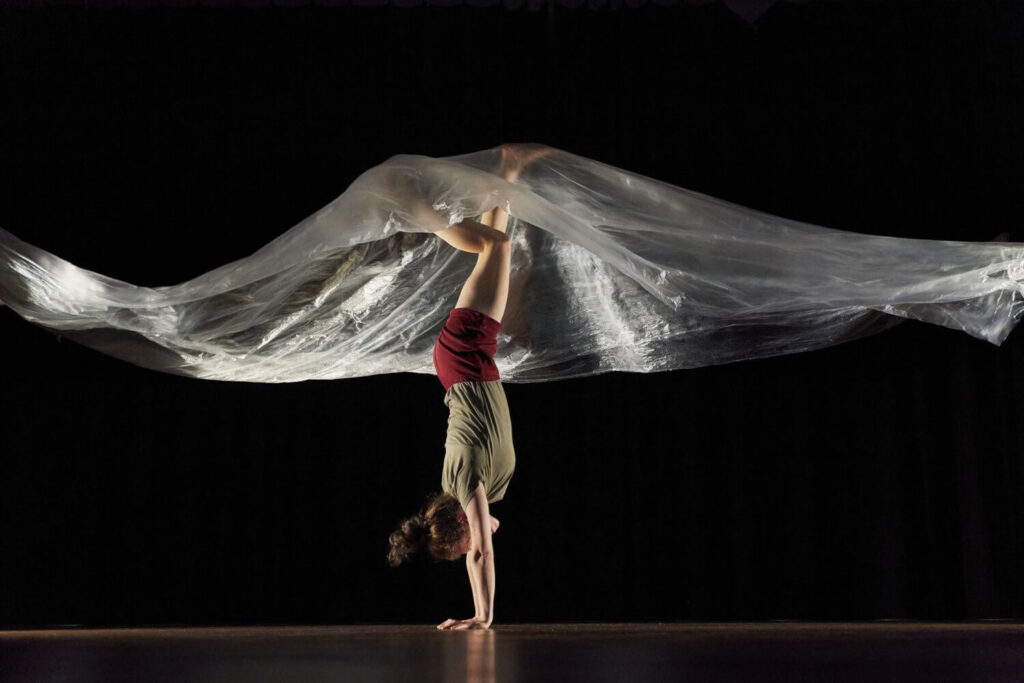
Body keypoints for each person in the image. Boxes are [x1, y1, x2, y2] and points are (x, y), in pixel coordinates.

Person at [386, 145, 554, 631]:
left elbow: (480, 552)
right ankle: (510, 166)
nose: (477, 545)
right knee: (496, 241)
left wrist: (483, 616)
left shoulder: (464, 485)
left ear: (461, 525)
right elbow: (476, 545)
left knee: (495, 246)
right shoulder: (485, 488)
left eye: (462, 546)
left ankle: (409, 205)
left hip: (464, 351)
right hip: (470, 355)